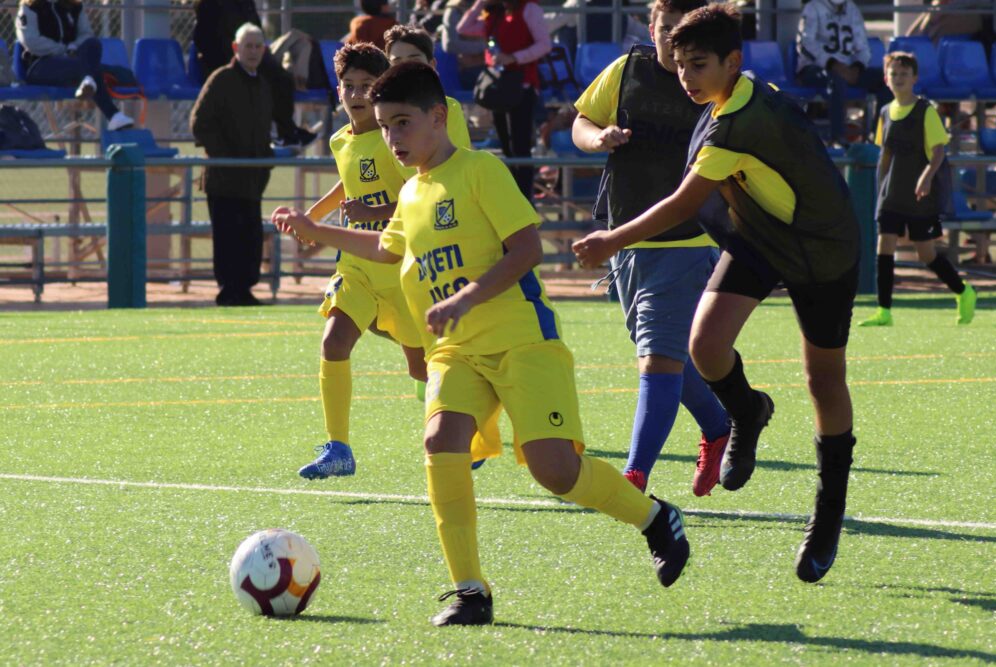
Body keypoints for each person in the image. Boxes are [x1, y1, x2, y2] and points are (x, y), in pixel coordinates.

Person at [273, 62, 691, 625]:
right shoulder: (414, 191)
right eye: (384, 126)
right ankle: (470, 590)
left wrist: (466, 297)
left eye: (401, 123)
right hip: (456, 350)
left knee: (556, 473)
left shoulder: (479, 171)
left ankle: (654, 518)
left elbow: (526, 250)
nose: (391, 137)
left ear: (437, 117)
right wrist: (316, 230)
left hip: (522, 342)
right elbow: (387, 249)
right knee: (441, 440)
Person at [573, 4, 859, 584]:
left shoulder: (736, 121)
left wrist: (611, 239)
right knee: (704, 345)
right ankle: (746, 411)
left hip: (822, 251)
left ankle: (828, 511)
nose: (685, 77)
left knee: (823, 382)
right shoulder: (723, 100)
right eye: (679, 65)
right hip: (759, 237)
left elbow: (683, 202)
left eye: (698, 65)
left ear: (734, 61)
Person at [279, 41, 472, 481]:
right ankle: (338, 447)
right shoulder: (339, 140)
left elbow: (417, 196)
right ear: (338, 89)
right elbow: (349, 186)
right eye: (349, 85)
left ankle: (460, 435)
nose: (357, 94)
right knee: (333, 342)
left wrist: (373, 213)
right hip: (357, 266)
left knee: (420, 367)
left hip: (400, 268)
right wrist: (313, 218)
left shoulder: (395, 141)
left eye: (367, 85)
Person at [571, 0, 730, 496]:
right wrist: (599, 138)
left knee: (658, 358)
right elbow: (580, 122)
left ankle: (634, 476)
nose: (673, 48)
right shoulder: (627, 70)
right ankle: (720, 423)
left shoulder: (715, 86)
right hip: (626, 241)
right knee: (665, 354)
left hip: (687, 241)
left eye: (685, 41)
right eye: (665, 33)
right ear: (651, 26)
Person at [859, 51, 977, 327]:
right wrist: (882, 186)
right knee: (884, 246)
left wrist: (925, 177)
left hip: (919, 197)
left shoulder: (926, 111)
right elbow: (884, 153)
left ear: (915, 78)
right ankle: (884, 311)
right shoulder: (885, 112)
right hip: (891, 194)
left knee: (926, 254)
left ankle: (963, 291)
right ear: (886, 79)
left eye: (904, 74)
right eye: (893, 73)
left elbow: (938, 153)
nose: (898, 78)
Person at [191, 23, 273, 307]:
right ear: (236, 49)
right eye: (247, 46)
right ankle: (229, 290)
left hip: (251, 180)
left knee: (251, 237)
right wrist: (226, 156)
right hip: (225, 179)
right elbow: (199, 123)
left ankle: (245, 289)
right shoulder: (221, 79)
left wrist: (266, 159)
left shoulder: (262, 85)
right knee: (227, 237)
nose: (253, 51)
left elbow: (261, 131)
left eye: (257, 46)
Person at [458, 0, 551, 200]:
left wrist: (515, 57)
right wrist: (480, 3)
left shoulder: (529, 9)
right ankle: (513, 197)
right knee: (507, 147)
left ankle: (525, 198)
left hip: (522, 87)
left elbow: (544, 45)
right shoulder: (493, 14)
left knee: (520, 146)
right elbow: (463, 28)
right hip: (499, 88)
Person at [193, 0, 316, 149]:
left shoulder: (245, 3)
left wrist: (258, 54)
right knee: (273, 78)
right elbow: (205, 41)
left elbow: (257, 32)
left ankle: (287, 133)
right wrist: (233, 58)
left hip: (247, 57)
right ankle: (286, 133)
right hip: (223, 61)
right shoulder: (209, 4)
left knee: (282, 78)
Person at [15, 0, 134, 131]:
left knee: (93, 44)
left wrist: (74, 46)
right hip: (40, 64)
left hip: (72, 61)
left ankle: (88, 81)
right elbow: (31, 41)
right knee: (92, 69)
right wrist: (63, 50)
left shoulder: (74, 6)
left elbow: (86, 34)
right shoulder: (30, 7)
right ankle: (112, 114)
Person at [795, 0, 889, 145]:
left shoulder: (852, 9)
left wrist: (857, 67)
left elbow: (863, 45)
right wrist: (833, 64)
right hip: (815, 68)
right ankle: (837, 138)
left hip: (849, 69)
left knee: (886, 80)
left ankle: (876, 137)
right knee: (836, 81)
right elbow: (806, 45)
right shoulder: (812, 8)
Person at [383, 23, 472, 151]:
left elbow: (458, 163)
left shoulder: (449, 108)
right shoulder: (378, 112)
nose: (405, 68)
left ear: (432, 65)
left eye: (414, 61)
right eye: (397, 62)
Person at [441, 0, 486, 89]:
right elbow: (450, 44)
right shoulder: (455, 10)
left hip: (493, 65)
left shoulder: (489, 6)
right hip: (470, 68)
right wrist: (484, 47)